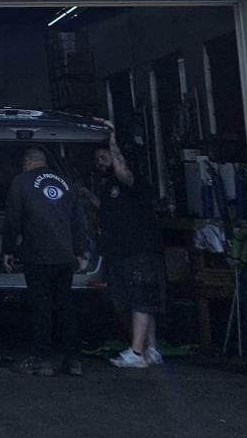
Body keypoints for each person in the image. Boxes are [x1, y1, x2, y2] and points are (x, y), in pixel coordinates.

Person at [3, 147, 89, 376]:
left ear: (28, 162)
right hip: (64, 255)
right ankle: (74, 360)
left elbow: (12, 218)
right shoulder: (68, 183)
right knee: (65, 306)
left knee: (41, 307)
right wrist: (80, 251)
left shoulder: (21, 182)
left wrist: (8, 249)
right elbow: (79, 221)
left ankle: (41, 359)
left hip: (37, 254)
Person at [93, 132, 165, 368]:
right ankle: (151, 349)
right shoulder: (110, 186)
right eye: (98, 159)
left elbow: (123, 171)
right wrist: (84, 194)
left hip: (139, 250)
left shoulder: (131, 181)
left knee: (139, 299)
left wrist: (112, 139)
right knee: (145, 300)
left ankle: (136, 352)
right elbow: (105, 209)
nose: (100, 163)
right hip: (123, 251)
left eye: (104, 157)